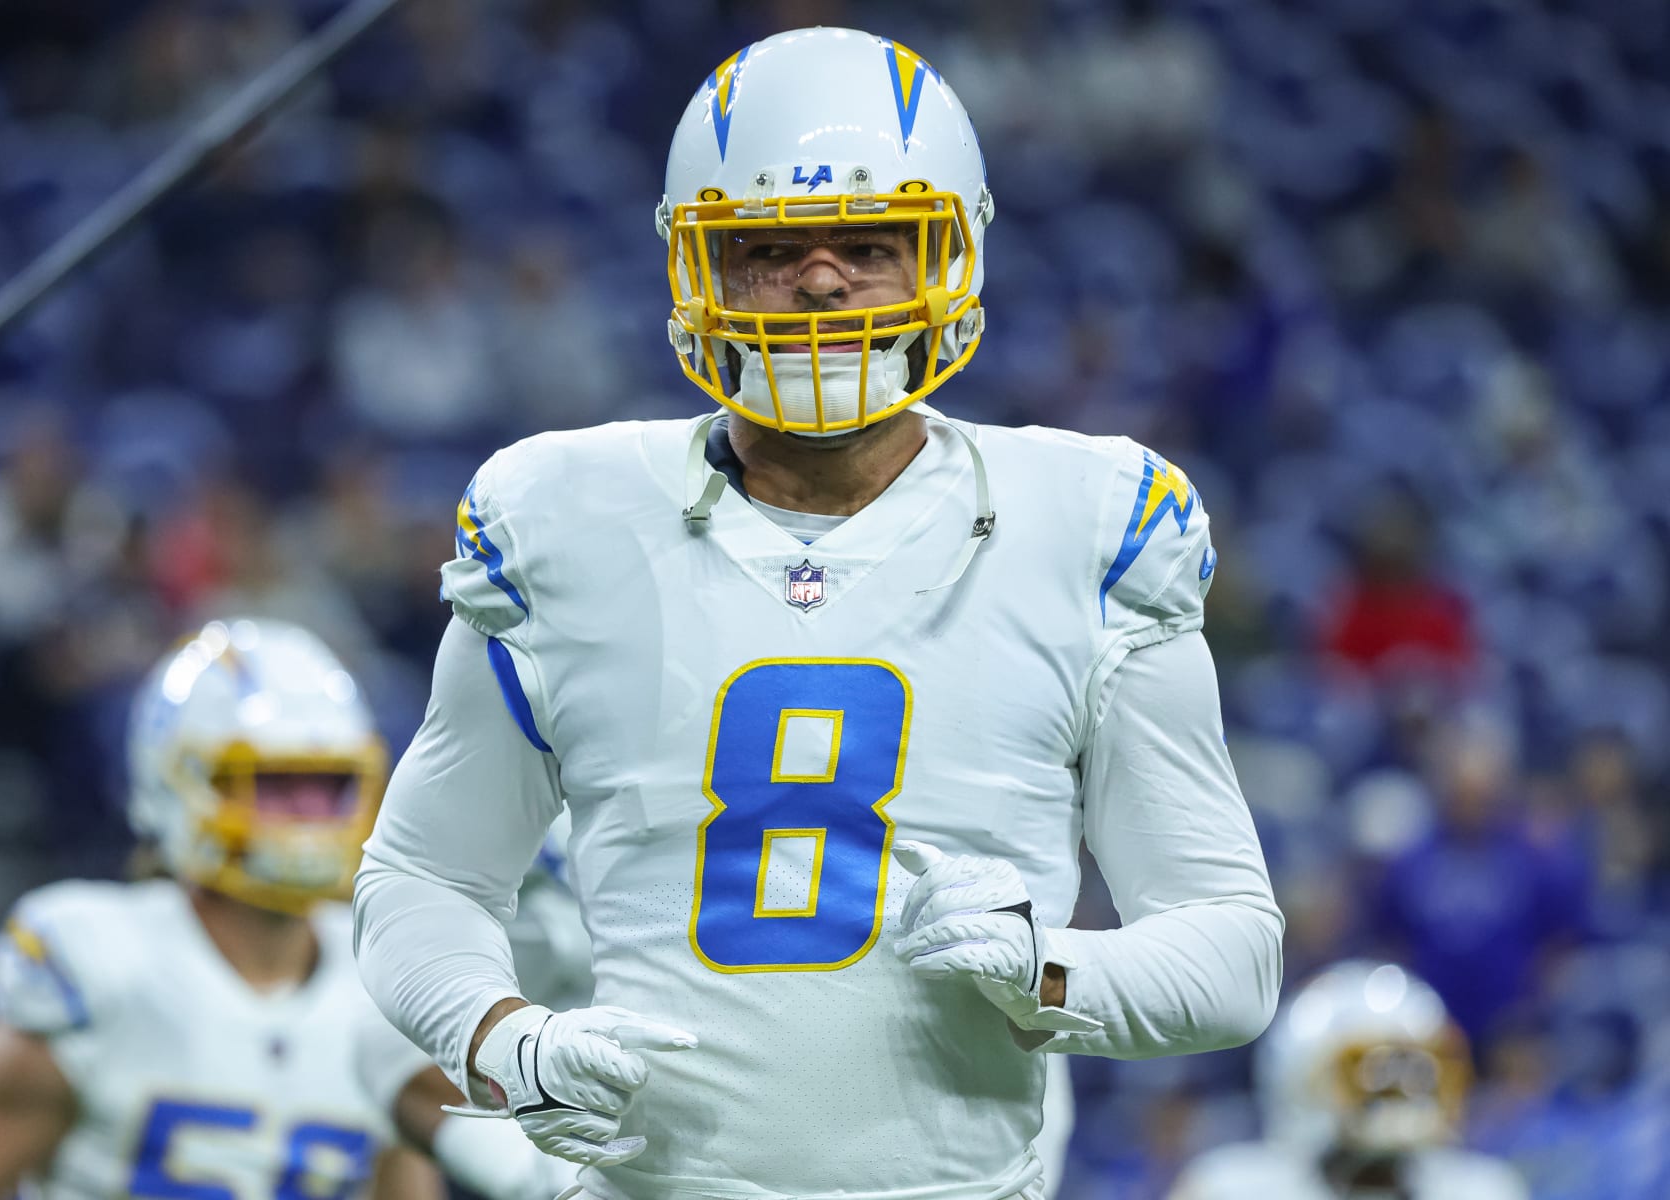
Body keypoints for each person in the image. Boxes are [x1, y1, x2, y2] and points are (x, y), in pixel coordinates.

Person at [353, 26, 1282, 1200]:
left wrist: (1050, 974)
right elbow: (424, 877)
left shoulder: (1087, 522)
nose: (825, 280)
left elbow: (1232, 948)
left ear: (951, 251)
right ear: (698, 268)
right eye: (770, 247)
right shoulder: (563, 517)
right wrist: (500, 1037)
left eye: (871, 245)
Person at [0, 618, 571, 1200]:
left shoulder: (385, 979)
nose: (305, 820)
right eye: (275, 787)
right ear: (178, 783)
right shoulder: (103, 963)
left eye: (326, 788)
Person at [1170, 961, 1529, 1199]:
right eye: (1374, 1073)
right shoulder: (1231, 1187)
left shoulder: (1481, 1189)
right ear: (1301, 1081)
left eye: (1420, 1071)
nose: (1403, 1090)